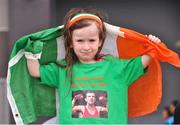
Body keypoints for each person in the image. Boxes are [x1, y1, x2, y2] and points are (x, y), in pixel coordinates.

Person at [25, 8, 161, 124]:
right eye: (79, 40)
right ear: (71, 42)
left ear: (100, 41)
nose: (86, 47)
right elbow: (35, 71)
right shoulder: (63, 69)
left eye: (92, 40)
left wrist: (152, 43)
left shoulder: (116, 68)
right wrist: (31, 51)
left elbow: (148, 58)